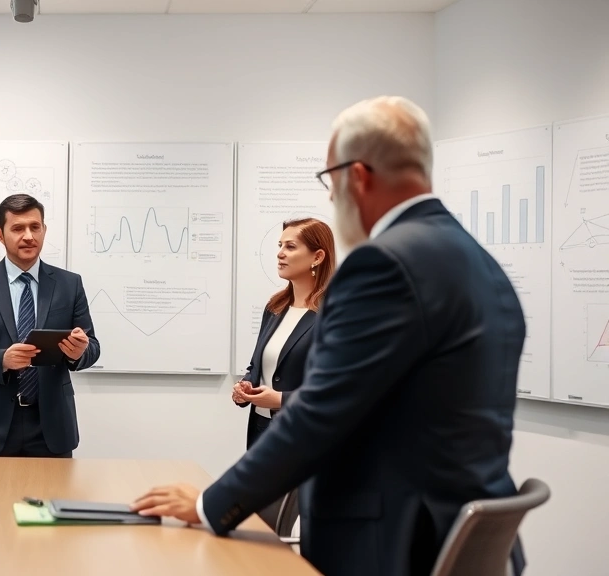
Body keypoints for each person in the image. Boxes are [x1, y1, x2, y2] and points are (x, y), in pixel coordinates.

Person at [131, 96, 527, 576]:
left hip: (392, 544)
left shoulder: (383, 263)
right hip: (465, 540)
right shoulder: (482, 265)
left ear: (356, 177)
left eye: (330, 181)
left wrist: (211, 504)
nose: (331, 198)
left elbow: (318, 413)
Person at [0, 194, 99, 458]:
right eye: (17, 228)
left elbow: (92, 346)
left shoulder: (69, 284)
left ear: (44, 230)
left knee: (54, 500)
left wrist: (79, 353)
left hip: (51, 426)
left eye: (35, 227)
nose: (28, 236)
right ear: (1, 235)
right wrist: (1, 359)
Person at [231, 217, 335, 529]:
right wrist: (245, 387)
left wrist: (282, 399)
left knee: (302, 530)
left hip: (305, 439)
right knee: (264, 527)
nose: (280, 253)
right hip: (263, 434)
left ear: (318, 256)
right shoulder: (275, 307)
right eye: (280, 246)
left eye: (290, 246)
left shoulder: (332, 313)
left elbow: (333, 388)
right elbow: (257, 367)